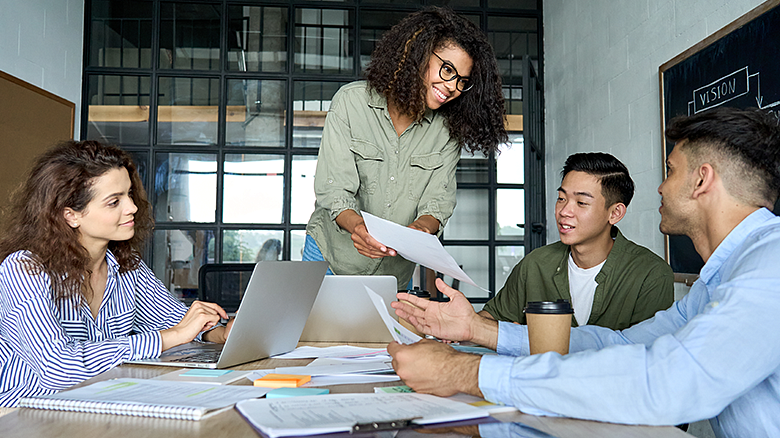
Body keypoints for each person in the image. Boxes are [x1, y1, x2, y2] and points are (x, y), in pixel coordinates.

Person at [389, 107, 780, 438]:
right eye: (562, 198)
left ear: (701, 179)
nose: (661, 187)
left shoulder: (770, 265)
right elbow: (619, 347)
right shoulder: (720, 278)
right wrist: (477, 331)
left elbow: (663, 382)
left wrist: (466, 371)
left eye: (670, 170)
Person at [0, 141, 234, 407]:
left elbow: (177, 321)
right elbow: (58, 367)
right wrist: (171, 337)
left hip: (99, 405)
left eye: (129, 194)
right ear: (71, 215)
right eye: (114, 202)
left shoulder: (127, 265)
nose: (132, 207)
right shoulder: (24, 269)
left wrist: (219, 333)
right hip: (22, 413)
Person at [303, 7, 507, 290]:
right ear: (417, 54)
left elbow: (438, 201)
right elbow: (333, 188)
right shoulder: (351, 103)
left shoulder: (447, 131)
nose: (451, 87)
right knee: (319, 335)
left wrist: (421, 230)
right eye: (447, 69)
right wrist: (358, 228)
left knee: (384, 336)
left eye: (462, 81)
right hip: (330, 259)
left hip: (393, 273)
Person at [480, 152, 673, 329]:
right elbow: (490, 318)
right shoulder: (535, 264)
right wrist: (461, 323)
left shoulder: (651, 274)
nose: (564, 211)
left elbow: (645, 355)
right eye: (561, 198)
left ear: (615, 213)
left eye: (581, 203)